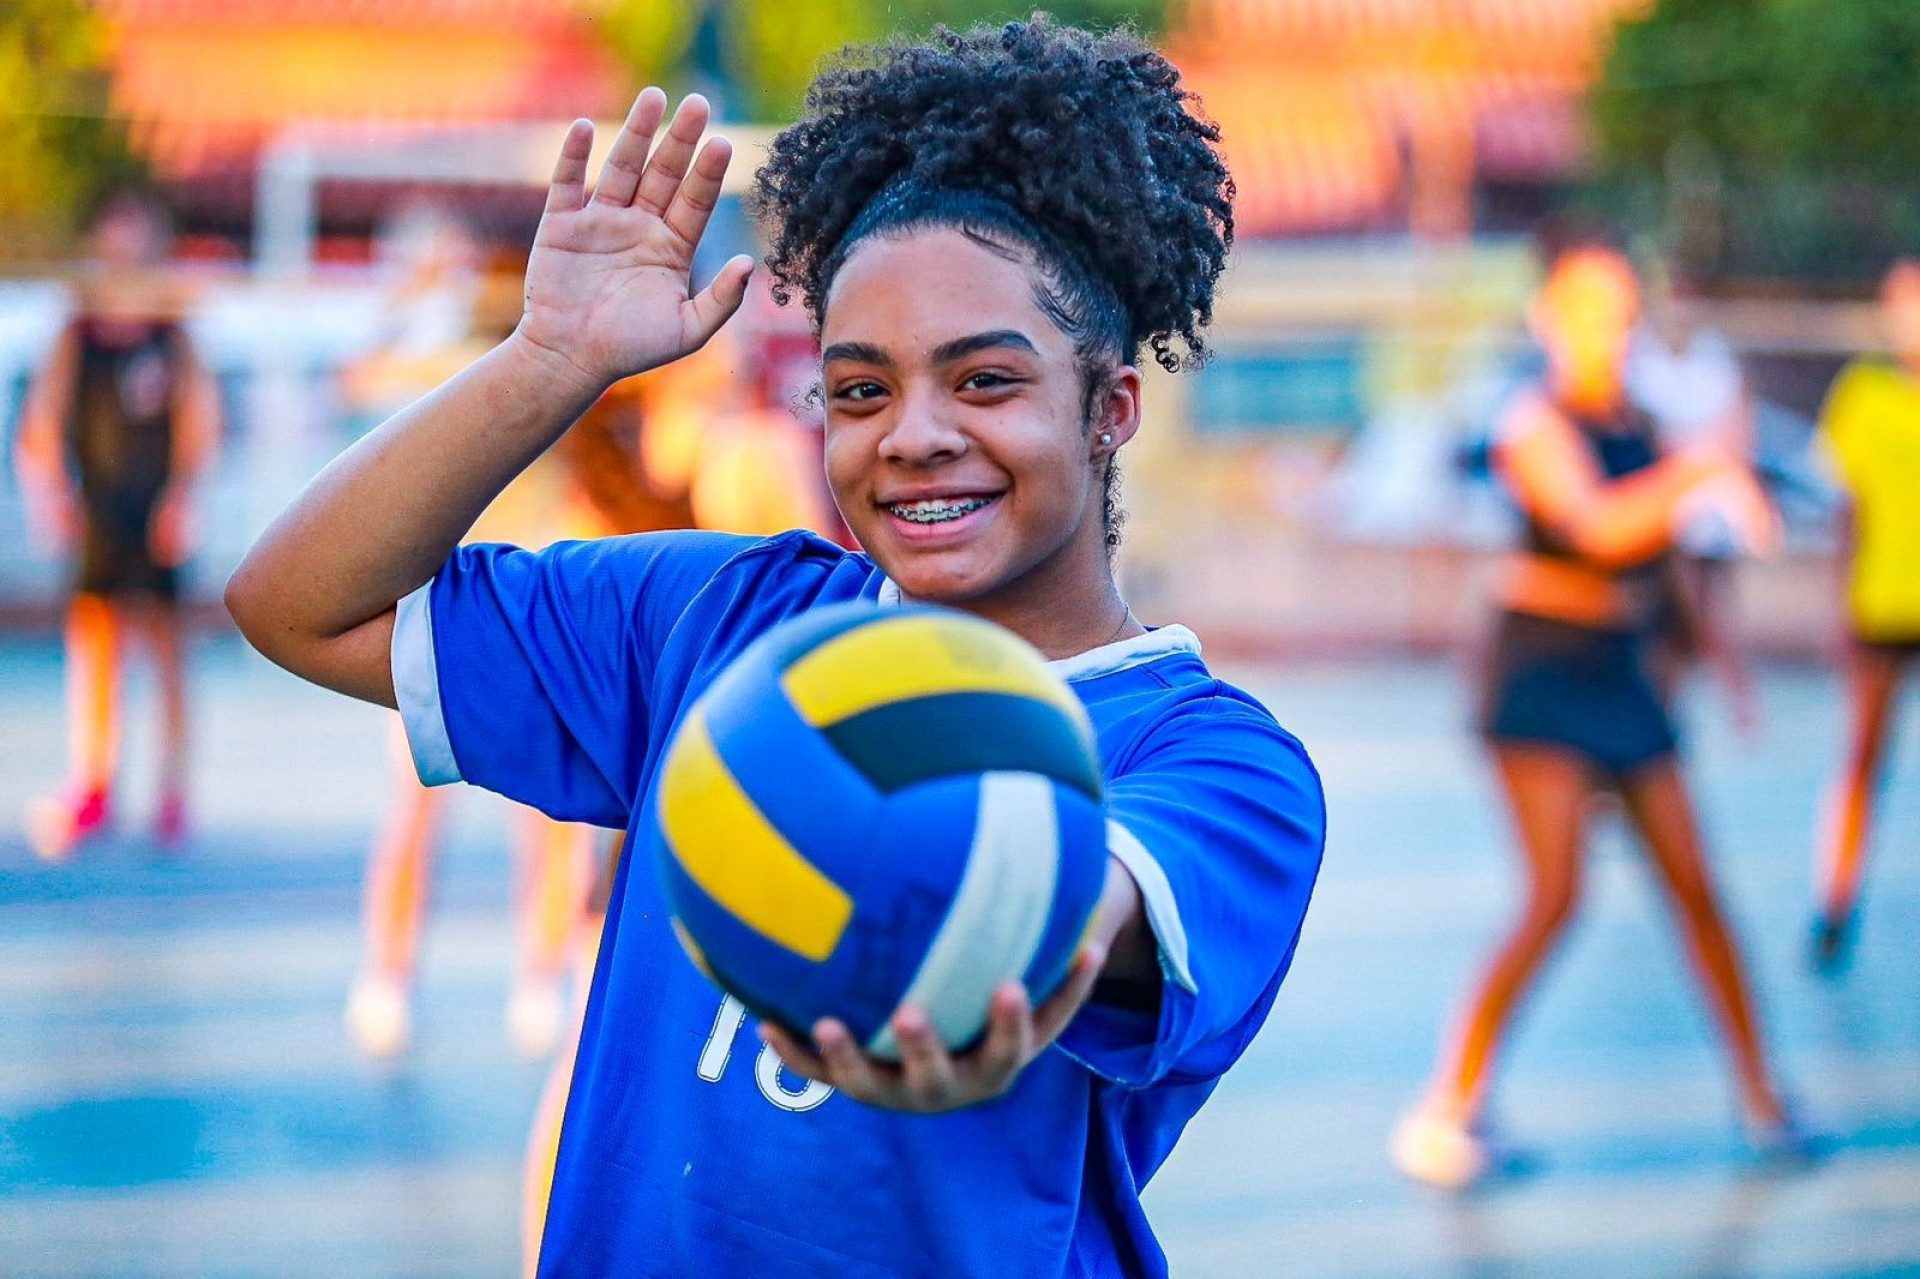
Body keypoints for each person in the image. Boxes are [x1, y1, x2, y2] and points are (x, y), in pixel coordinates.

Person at [226, 20, 1325, 1275]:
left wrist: (981, 954)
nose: (911, 435)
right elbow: (295, 603)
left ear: (1109, 407)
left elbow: (1089, 903)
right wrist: (550, 361)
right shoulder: (718, 622)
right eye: (860, 390)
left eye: (983, 383)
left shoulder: (1222, 761)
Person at [1390, 245, 1805, 1190]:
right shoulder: (1533, 423)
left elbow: (1659, 560)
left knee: (1699, 890)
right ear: (1549, 320)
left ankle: (1764, 1102)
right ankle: (1445, 1108)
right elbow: (1599, 526)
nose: (1606, 331)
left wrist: (1722, 662)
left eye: (1619, 313)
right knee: (1554, 897)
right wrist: (1705, 467)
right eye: (1586, 311)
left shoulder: (1647, 423)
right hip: (1540, 672)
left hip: (1625, 672)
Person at [14, 187, 220, 859]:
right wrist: (50, 494)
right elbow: (41, 421)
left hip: (154, 505)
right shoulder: (78, 328)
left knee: (165, 651)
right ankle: (94, 781)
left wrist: (185, 496)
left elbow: (199, 418)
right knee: (95, 645)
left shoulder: (173, 328)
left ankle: (172, 793)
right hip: (99, 507)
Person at [1808, 258, 1920, 971]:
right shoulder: (1864, 393)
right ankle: (1835, 902)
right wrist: (1837, 605)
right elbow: (1846, 514)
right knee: (1862, 761)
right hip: (1882, 605)